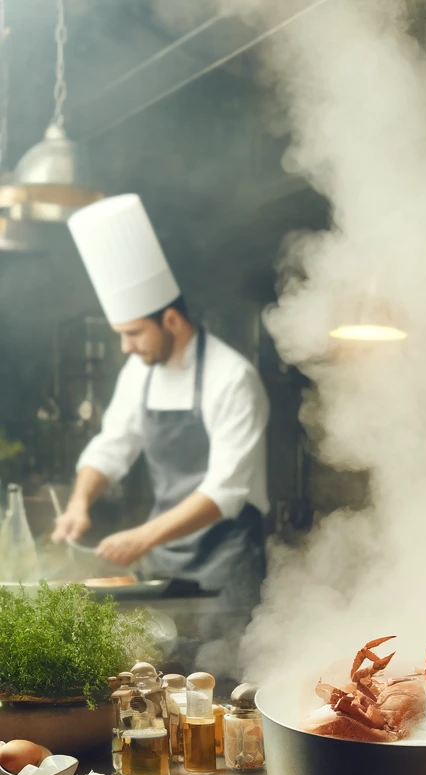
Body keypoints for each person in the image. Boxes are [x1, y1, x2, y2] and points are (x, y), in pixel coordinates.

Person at [54, 194, 269, 672]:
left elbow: (226, 490)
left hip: (226, 573)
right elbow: (112, 445)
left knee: (223, 693)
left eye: (133, 333)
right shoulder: (141, 371)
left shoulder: (232, 377)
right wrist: (79, 502)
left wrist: (142, 537)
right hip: (164, 573)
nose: (126, 346)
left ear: (170, 319)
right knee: (157, 690)